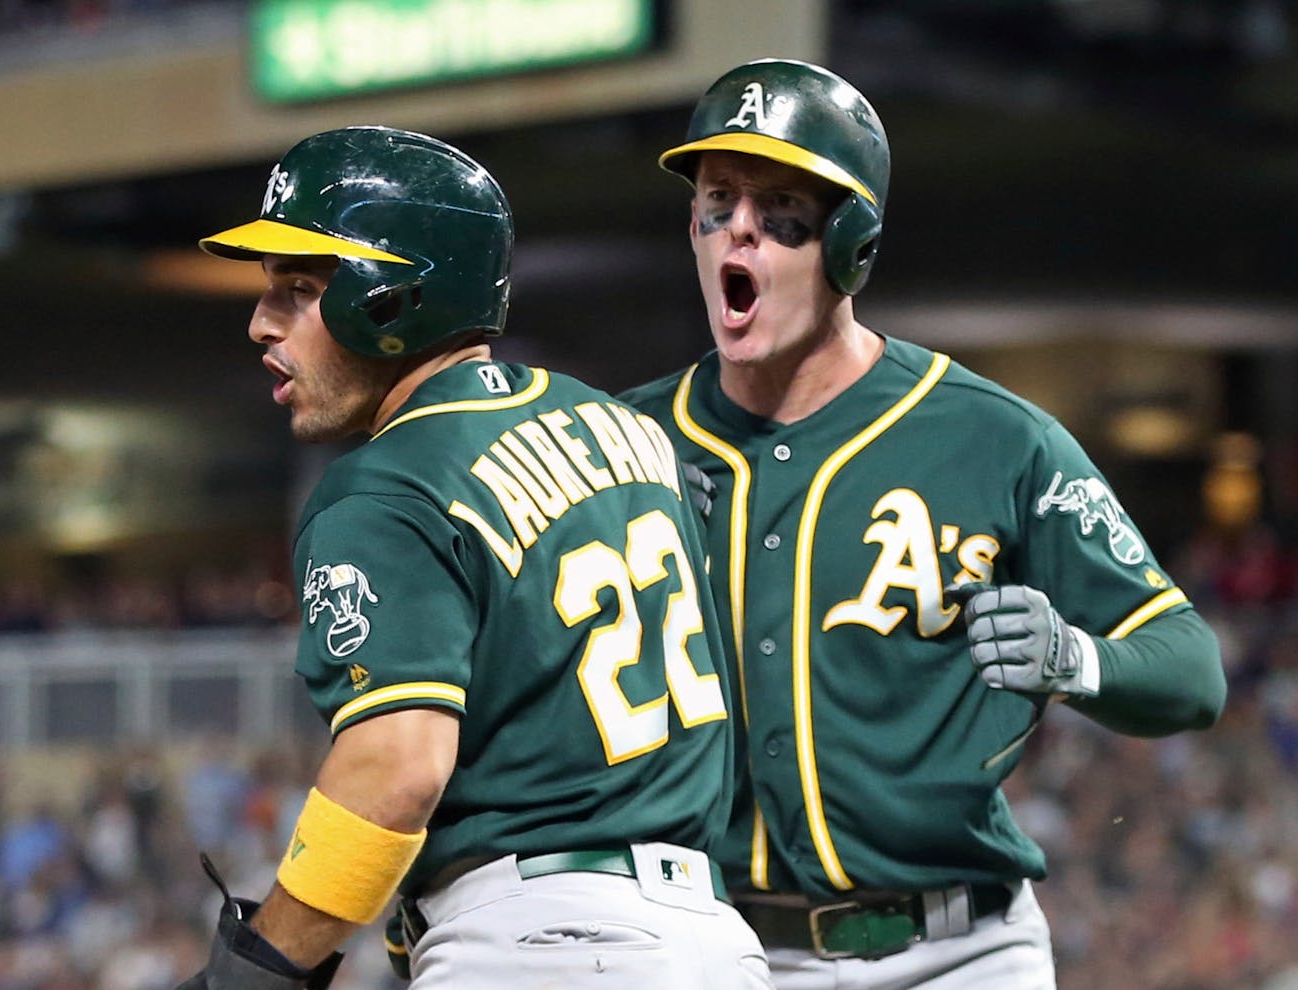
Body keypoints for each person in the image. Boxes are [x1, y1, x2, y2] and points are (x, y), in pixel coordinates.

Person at [620, 58, 1228, 989]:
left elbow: (1191, 668)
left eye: (779, 208)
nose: (738, 227)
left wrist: (1077, 658)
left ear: (853, 243)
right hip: (713, 949)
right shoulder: (621, 444)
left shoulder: (992, 436)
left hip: (959, 953)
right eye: (717, 201)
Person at [178, 126, 772, 989]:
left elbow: (396, 769)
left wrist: (263, 965)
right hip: (712, 938)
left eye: (299, 288)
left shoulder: (383, 486)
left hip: (540, 943)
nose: (261, 321)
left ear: (392, 297)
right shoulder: (633, 432)